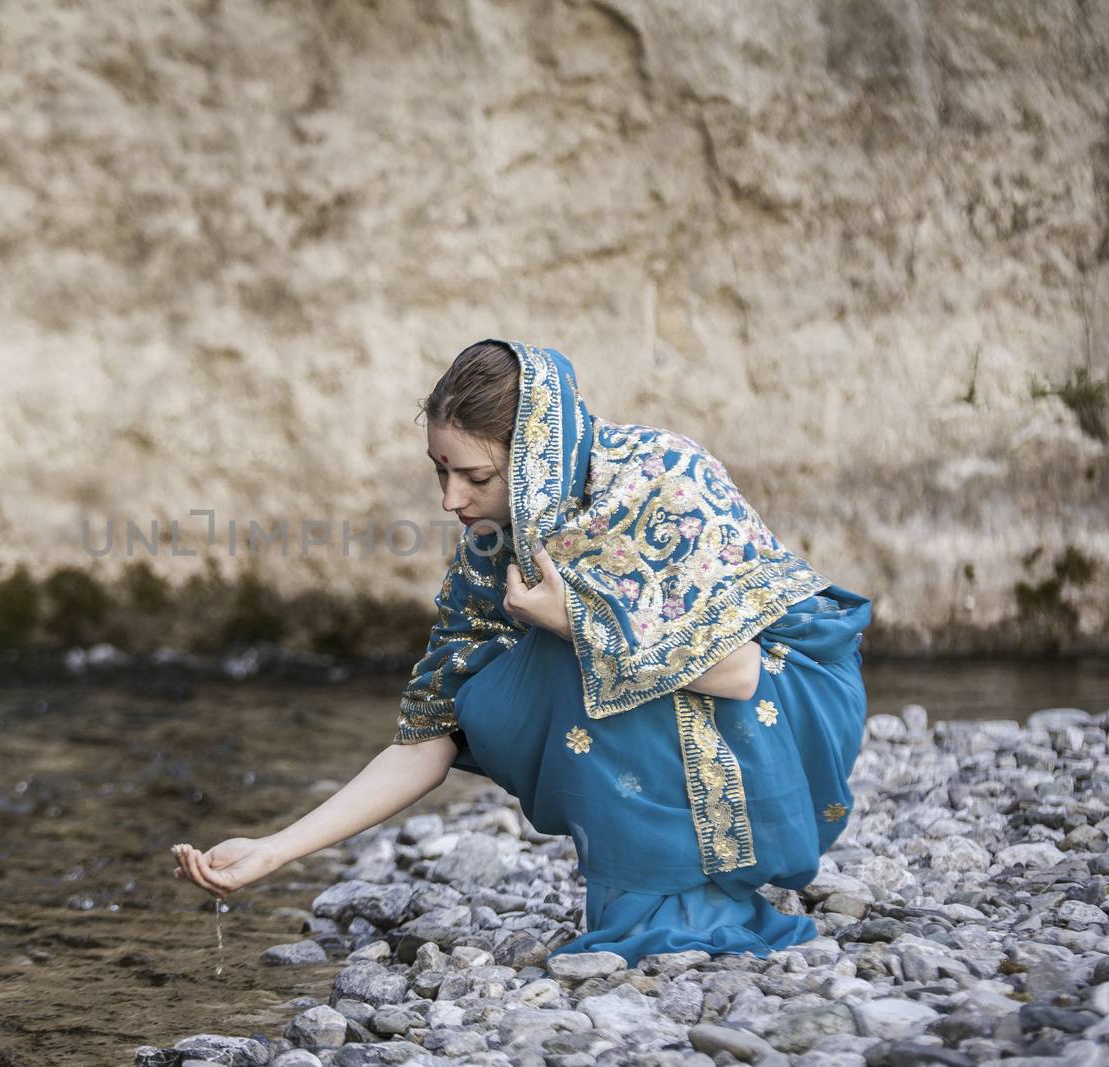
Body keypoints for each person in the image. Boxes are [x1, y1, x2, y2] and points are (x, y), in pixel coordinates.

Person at [170, 338, 871, 966]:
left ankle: (685, 899)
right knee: (485, 688)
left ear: (535, 458)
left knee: (564, 654)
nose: (451, 499)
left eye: (475, 477)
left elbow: (739, 670)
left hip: (790, 700)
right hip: (708, 694)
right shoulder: (494, 544)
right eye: (441, 472)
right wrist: (273, 849)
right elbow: (430, 733)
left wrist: (572, 619)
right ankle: (645, 893)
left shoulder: (663, 476)